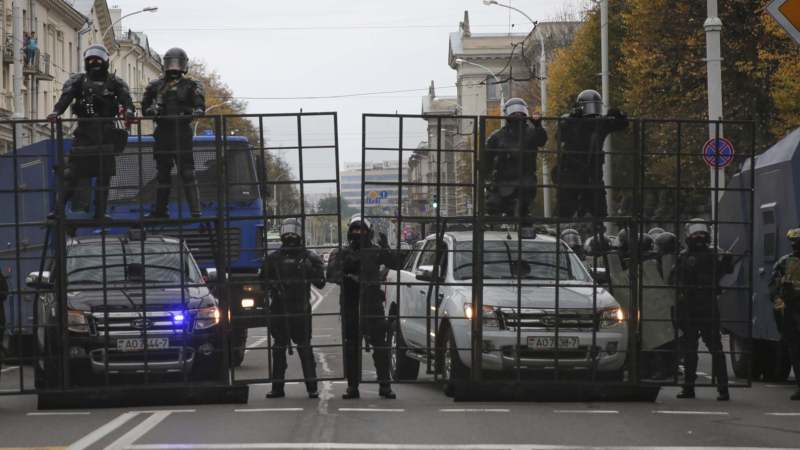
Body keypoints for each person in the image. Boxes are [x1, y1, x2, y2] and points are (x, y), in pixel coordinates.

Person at [47, 45, 134, 220]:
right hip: (84, 132)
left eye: (98, 59)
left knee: (105, 176)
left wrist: (129, 111)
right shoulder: (78, 81)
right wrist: (56, 112)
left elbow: (126, 99)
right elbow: (66, 98)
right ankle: (58, 210)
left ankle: (100, 213)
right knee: (72, 174)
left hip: (106, 132)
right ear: (86, 62)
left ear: (105, 61)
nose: (95, 63)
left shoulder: (115, 82)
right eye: (91, 60)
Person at [327, 215, 401, 399]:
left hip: (372, 305)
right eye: (355, 230)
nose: (358, 234)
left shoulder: (375, 251)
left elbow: (396, 264)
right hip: (351, 305)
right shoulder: (342, 253)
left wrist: (386, 247)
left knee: (381, 346)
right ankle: (353, 387)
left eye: (362, 230)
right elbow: (331, 275)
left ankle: (385, 385)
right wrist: (349, 275)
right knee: (351, 348)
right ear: (350, 232)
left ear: (369, 232)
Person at [261, 218, 325, 399]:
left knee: (304, 348)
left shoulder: (308, 257)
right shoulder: (274, 258)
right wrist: (274, 285)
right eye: (287, 232)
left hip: (300, 308)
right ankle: (277, 387)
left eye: (294, 232)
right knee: (279, 349)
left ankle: (312, 387)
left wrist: (308, 270)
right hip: (279, 309)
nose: (290, 236)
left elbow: (321, 282)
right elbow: (262, 281)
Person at [670, 219, 733, 401]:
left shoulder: (714, 255)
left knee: (716, 349)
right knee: (689, 350)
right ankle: (688, 387)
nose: (698, 236)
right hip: (689, 307)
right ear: (689, 236)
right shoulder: (683, 256)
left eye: (701, 233)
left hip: (708, 307)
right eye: (695, 233)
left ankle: (723, 388)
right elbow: (673, 278)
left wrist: (728, 260)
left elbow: (725, 273)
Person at [141, 47, 205, 218]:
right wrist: (151, 111)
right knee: (162, 173)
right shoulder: (156, 86)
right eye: (171, 64)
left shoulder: (192, 85)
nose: (174, 68)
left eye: (177, 64)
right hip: (163, 130)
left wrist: (197, 110)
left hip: (182, 131)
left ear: (184, 66)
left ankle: (196, 211)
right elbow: (145, 107)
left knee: (187, 172)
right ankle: (160, 210)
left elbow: (199, 103)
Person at [554, 89, 628, 219]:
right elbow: (559, 136)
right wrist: (571, 120)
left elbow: (621, 124)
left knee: (598, 211)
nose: (592, 110)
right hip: (573, 174)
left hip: (591, 175)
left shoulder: (599, 123)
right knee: (565, 210)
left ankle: (597, 232)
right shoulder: (573, 122)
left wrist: (617, 115)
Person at [484, 98, 547, 226]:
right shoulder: (497, 136)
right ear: (507, 115)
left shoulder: (531, 132)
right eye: (514, 112)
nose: (517, 115)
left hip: (526, 179)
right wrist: (488, 180)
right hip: (503, 180)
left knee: (524, 210)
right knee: (493, 206)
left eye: (520, 112)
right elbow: (487, 159)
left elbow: (542, 140)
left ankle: (524, 223)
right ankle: (493, 227)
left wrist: (538, 125)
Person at [768, 228, 800, 401]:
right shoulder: (784, 262)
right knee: (795, 349)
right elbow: (773, 288)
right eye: (795, 242)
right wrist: (779, 304)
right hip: (791, 310)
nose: (796, 246)